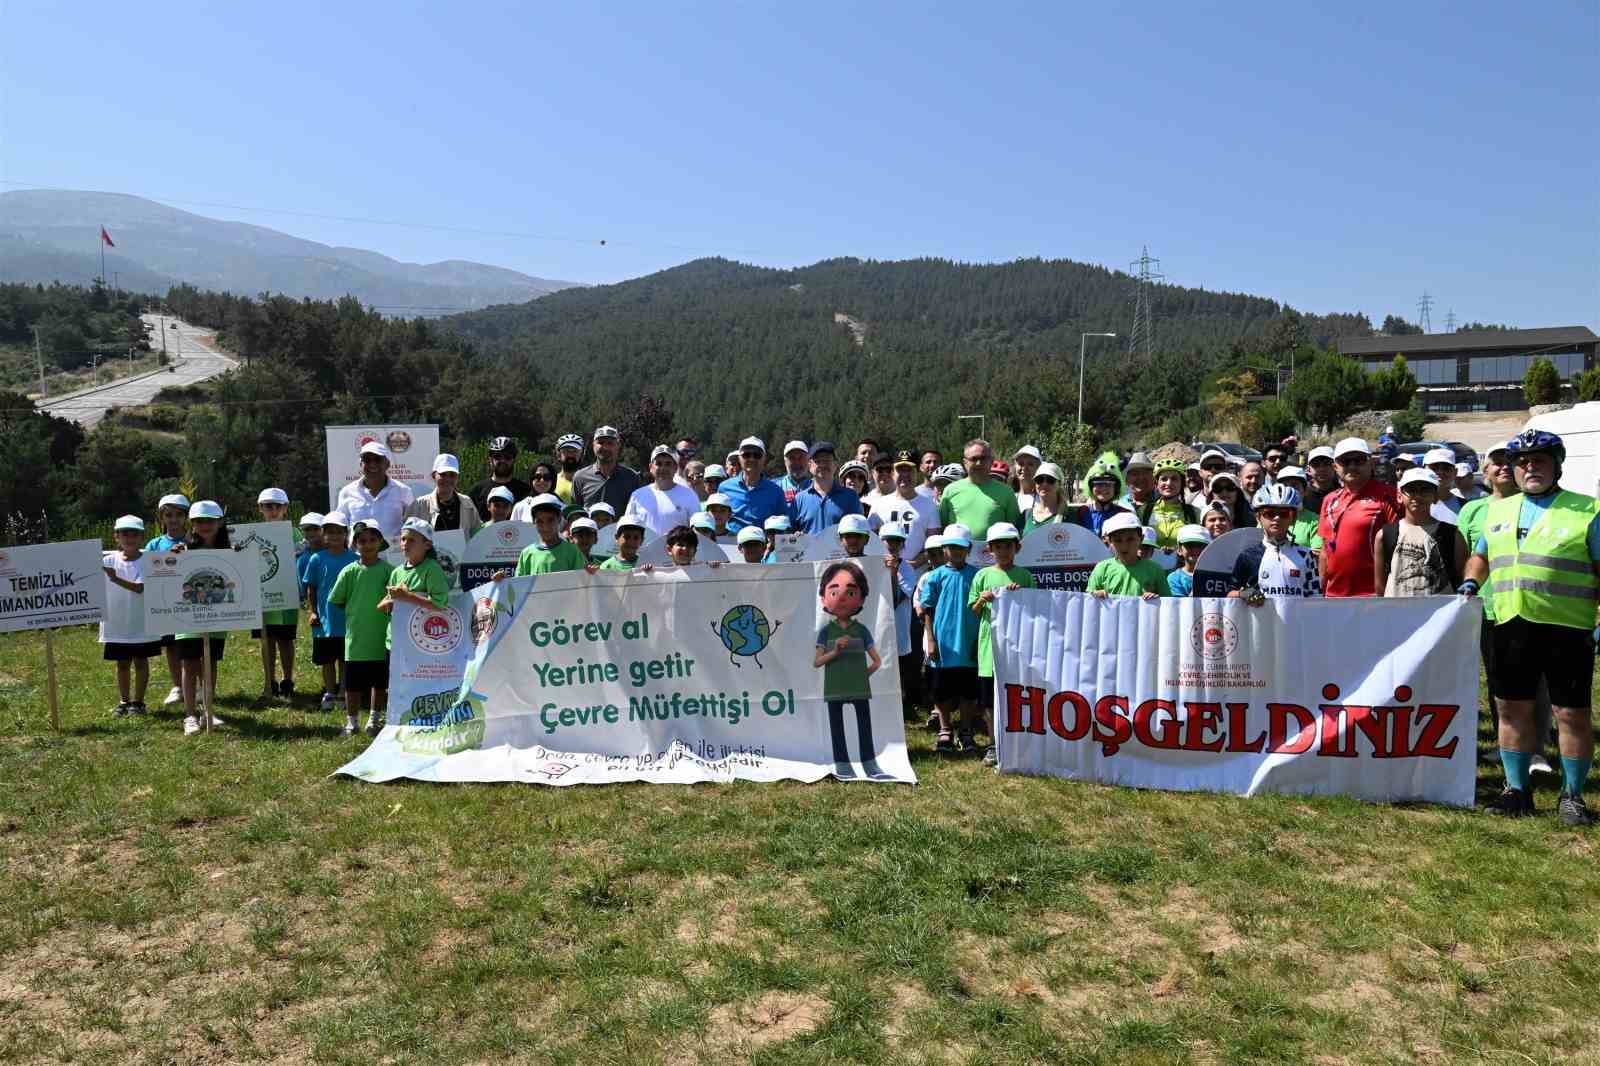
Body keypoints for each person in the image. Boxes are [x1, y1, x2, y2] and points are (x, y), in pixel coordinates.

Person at [1461, 430, 1600, 824]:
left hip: (1567, 627)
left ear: (1557, 463)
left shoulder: (1587, 510)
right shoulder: (1499, 511)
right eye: (1522, 461)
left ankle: (1572, 796)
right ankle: (1516, 790)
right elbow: (1480, 555)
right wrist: (1472, 580)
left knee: (1570, 714)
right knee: (1510, 709)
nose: (1529, 467)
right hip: (1509, 621)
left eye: (1539, 459)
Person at [814, 560, 890, 780]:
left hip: (858, 689)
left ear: (862, 598)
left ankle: (870, 764)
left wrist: (862, 676)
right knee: (837, 728)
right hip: (834, 688)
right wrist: (835, 652)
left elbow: (876, 660)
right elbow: (817, 662)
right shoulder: (826, 632)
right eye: (834, 591)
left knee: (864, 726)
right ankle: (843, 764)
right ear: (823, 598)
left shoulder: (862, 630)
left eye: (851, 592)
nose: (842, 598)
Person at [968, 522, 1035, 767]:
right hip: (989, 648)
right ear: (989, 549)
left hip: (1017, 647)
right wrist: (982, 600)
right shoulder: (982, 576)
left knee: (1017, 695)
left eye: (1008, 546)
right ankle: (993, 745)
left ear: (1016, 547)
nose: (1003, 551)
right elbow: (973, 611)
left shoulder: (1025, 575)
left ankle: (1017, 743)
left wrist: (1021, 597)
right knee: (988, 700)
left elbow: (1035, 610)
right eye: (998, 546)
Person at [328, 519, 396, 737]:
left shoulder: (390, 571)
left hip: (381, 638)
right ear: (355, 544)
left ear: (380, 542)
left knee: (380, 682)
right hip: (355, 639)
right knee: (352, 685)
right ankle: (352, 722)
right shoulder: (349, 571)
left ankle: (375, 719)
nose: (367, 544)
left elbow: (396, 599)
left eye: (372, 540)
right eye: (362, 540)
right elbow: (337, 599)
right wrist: (355, 611)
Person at [1315, 438, 1402, 598]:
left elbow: (1400, 547)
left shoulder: (1389, 495)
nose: (1352, 466)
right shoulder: (1329, 500)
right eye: (1346, 461)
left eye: (1359, 460)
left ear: (1371, 464)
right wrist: (1321, 586)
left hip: (1373, 596)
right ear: (1335, 467)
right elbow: (1325, 549)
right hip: (1333, 595)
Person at [176, 500, 231, 736]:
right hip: (188, 617)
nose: (204, 525)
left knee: (209, 663)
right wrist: (172, 558)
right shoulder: (182, 551)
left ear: (219, 523)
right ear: (192, 524)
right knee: (189, 663)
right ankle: (190, 715)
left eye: (209, 520)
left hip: (217, 617)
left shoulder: (230, 553)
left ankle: (208, 710)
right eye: (199, 521)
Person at [1374, 470, 1467, 597]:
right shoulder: (1385, 535)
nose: (1417, 496)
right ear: (1400, 496)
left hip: (1440, 613)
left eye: (1425, 490)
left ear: (1435, 496)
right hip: (1396, 612)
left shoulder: (1453, 535)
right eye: (1411, 490)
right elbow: (1380, 586)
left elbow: (1461, 579)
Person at [101, 515, 156, 717]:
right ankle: (123, 701)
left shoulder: (149, 561)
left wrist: (114, 579)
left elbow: (140, 588)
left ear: (142, 537)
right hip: (115, 623)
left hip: (141, 622)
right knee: (122, 663)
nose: (129, 538)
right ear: (116, 536)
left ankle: (138, 702)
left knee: (141, 662)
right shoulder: (106, 560)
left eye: (134, 534)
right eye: (125, 533)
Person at [304, 511, 357, 714]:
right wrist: (313, 611)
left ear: (346, 534)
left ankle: (343, 690)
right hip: (324, 620)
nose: (334, 536)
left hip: (347, 619)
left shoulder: (354, 559)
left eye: (339, 532)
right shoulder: (317, 559)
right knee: (326, 660)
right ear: (323, 534)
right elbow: (312, 588)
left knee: (345, 657)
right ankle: (329, 692)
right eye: (330, 532)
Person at [1230, 485, 1320, 602]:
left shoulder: (1306, 555)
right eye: (1269, 513)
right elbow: (1229, 595)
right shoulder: (1248, 556)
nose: (1277, 518)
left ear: (1293, 518)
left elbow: (1316, 597)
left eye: (1284, 513)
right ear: (1258, 518)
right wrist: (1243, 594)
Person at [252, 487, 300, 702]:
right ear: (260, 509)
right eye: (267, 506)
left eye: (277, 506)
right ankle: (268, 681)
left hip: (286, 595)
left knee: (286, 640)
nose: (272, 511)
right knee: (266, 639)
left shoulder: (295, 533)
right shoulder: (253, 533)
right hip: (261, 595)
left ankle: (287, 680)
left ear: (285, 508)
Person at [146, 492, 190, 708]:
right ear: (162, 518)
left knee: (191, 647)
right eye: (169, 515)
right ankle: (177, 686)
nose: (173, 520)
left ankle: (197, 686)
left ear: (186, 517)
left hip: (192, 602)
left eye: (178, 515)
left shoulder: (194, 539)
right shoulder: (155, 544)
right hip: (166, 601)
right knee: (171, 646)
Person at [940, 439, 1023, 537]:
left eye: (983, 458)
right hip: (959, 551)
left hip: (994, 551)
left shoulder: (1006, 491)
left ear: (991, 461)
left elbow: (1014, 527)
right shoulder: (950, 490)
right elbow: (943, 526)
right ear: (965, 462)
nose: (979, 463)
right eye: (974, 459)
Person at [335, 440, 414, 542]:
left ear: (387, 464)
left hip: (393, 556)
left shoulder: (404, 491)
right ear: (360, 464)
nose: (372, 464)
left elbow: (412, 526)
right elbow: (341, 526)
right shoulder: (346, 492)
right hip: (358, 556)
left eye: (377, 459)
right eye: (367, 460)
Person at [868, 451, 938, 560]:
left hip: (918, 573)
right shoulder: (878, 505)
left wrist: (914, 564)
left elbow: (934, 544)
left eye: (909, 470)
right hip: (885, 572)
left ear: (917, 472)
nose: (905, 475)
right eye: (900, 470)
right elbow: (870, 541)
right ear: (893, 473)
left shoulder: (929, 506)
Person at [1086, 512, 1169, 601]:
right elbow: (1088, 602)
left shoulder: (1155, 570)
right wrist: (1095, 596)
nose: (1124, 546)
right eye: (1118, 540)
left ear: (1141, 538)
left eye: (1130, 539)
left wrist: (1157, 600)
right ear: (1109, 541)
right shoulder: (1101, 568)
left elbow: (1168, 603)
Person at [624, 445, 700, 535]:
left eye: (668, 464)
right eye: (658, 464)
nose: (663, 468)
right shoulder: (637, 496)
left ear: (675, 468)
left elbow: (697, 532)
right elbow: (627, 528)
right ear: (651, 467)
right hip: (644, 549)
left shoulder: (689, 495)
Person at [790, 442, 862, 534]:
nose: (822, 465)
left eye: (827, 461)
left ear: (835, 465)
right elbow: (790, 534)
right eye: (818, 461)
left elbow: (858, 532)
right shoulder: (799, 500)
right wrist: (796, 536)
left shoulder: (850, 497)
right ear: (809, 466)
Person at [719, 436, 787, 531]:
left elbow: (784, 525)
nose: (751, 459)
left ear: (764, 459)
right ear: (739, 458)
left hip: (762, 544)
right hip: (731, 543)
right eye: (746, 455)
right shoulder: (724, 488)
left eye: (757, 455)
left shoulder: (776, 492)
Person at [571, 425, 642, 513]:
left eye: (610, 443)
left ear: (618, 445)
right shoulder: (580, 477)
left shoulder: (632, 477)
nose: (605, 447)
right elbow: (576, 514)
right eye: (600, 443)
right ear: (593, 445)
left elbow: (637, 513)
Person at [408, 453, 483, 537]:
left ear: (457, 477)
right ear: (433, 475)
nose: (447, 479)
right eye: (443, 474)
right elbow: (406, 535)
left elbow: (477, 534)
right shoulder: (419, 505)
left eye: (452, 475)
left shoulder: (467, 503)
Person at [511, 494, 587, 575]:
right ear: (533, 522)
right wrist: (501, 581)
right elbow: (518, 585)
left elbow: (581, 582)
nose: (546, 527)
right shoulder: (526, 554)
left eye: (550, 520)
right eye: (540, 521)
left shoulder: (573, 552)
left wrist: (590, 573)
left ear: (559, 519)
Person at [1135, 459, 1199, 549]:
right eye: (1164, 479)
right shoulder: (1144, 511)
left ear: (1182, 483)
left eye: (1174, 479)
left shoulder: (1194, 512)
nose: (1168, 483)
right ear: (1156, 483)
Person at [467, 437, 530, 519]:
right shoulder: (476, 491)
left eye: (507, 457)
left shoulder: (525, 491)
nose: (502, 460)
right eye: (497, 457)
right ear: (490, 460)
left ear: (514, 460)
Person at [1274, 466, 1323, 553]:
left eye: (1295, 485)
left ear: (1305, 491)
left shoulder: (1316, 521)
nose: (1289, 490)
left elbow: (1317, 555)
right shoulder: (1267, 516)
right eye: (1284, 486)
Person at [1021, 462, 1068, 534]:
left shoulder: (1069, 515)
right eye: (1039, 480)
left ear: (1060, 484)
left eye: (1050, 480)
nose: (1044, 484)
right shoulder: (1026, 514)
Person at [1166, 524, 1211, 597]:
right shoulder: (1174, 578)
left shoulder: (1217, 575)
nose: (1195, 549)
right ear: (1179, 549)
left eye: (1200, 545)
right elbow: (1179, 606)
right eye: (1190, 545)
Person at [1423, 448, 1465, 521]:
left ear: (1455, 472)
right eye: (1434, 468)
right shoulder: (1410, 504)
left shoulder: (1465, 507)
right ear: (1423, 470)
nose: (1440, 472)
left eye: (1446, 468)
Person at [1303, 446, 1339, 516]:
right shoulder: (1303, 494)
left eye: (1327, 463)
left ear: (1335, 466)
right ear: (1308, 469)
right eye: (1316, 464)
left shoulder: (1343, 492)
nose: (1322, 469)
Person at [552, 433, 585, 503]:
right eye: (566, 451)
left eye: (575, 451)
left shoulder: (588, 481)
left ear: (582, 455)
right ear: (558, 455)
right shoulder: (550, 481)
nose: (570, 455)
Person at [778, 440, 812, 506]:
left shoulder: (817, 488)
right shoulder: (775, 488)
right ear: (785, 462)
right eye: (792, 458)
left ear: (808, 461)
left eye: (801, 457)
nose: (797, 462)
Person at [1010, 446, 1043, 512]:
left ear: (1039, 468)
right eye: (1021, 464)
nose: (1024, 468)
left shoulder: (1045, 499)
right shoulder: (1009, 498)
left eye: (1030, 464)